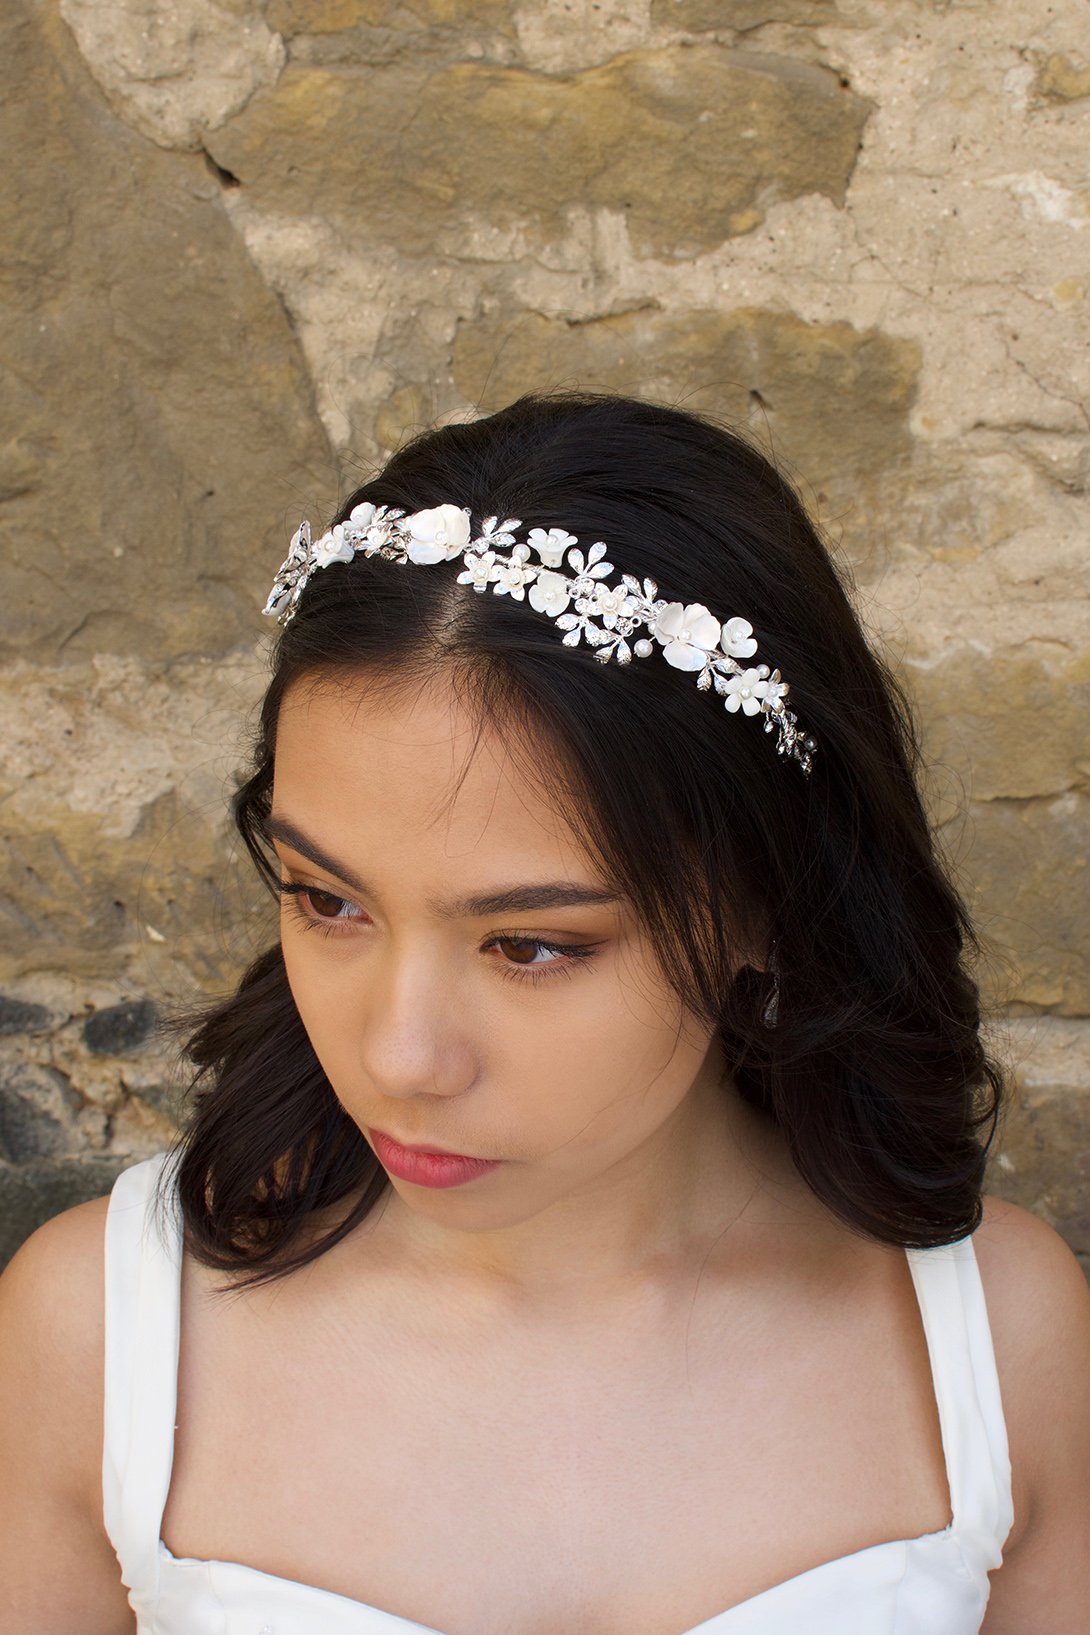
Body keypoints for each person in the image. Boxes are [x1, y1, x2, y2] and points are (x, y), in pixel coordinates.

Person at [1, 390, 1087, 1635]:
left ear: (762, 902)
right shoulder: (98, 1336)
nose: (400, 1056)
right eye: (326, 900)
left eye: (528, 944)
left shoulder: (999, 1342)